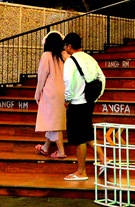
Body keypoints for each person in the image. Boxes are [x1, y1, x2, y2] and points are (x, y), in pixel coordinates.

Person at [61, 32, 108, 182]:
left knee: (79, 138)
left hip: (76, 103)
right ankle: (103, 158)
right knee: (87, 134)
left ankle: (81, 171)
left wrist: (67, 99)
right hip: (89, 102)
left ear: (69, 46)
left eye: (65, 45)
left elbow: (68, 80)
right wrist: (96, 97)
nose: (64, 48)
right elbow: (102, 78)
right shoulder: (90, 58)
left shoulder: (70, 61)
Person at [34, 31, 67, 159]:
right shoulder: (65, 56)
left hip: (50, 93)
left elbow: (41, 77)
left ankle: (61, 151)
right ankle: (46, 147)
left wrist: (37, 94)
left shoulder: (46, 56)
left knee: (53, 122)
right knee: (53, 120)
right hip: (64, 92)